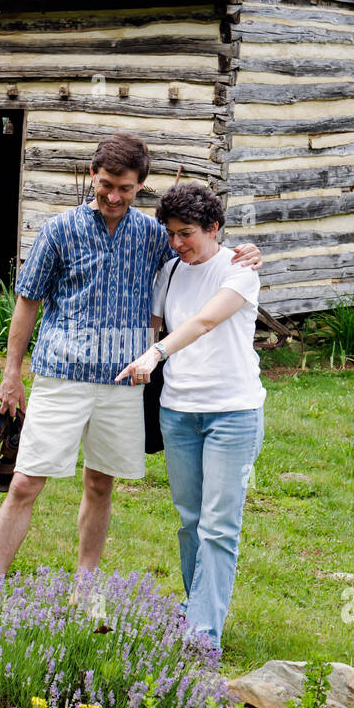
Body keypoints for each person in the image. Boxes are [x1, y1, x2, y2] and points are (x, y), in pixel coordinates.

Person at [0, 134, 261, 596]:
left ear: (140, 187)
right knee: (25, 483)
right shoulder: (59, 230)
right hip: (61, 376)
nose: (114, 196)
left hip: (123, 383)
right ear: (93, 175)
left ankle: (85, 590)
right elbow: (27, 301)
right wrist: (12, 373)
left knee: (99, 485)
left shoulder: (154, 236)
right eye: (107, 184)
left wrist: (246, 250)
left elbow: (201, 249)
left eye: (126, 188)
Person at [115, 182, 265, 652]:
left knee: (219, 524)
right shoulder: (169, 273)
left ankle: (203, 636)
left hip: (233, 413)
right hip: (178, 413)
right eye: (171, 233)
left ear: (214, 228)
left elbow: (202, 323)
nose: (178, 242)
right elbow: (152, 325)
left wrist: (155, 354)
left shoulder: (239, 270)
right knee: (189, 519)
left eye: (187, 233)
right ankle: (194, 607)